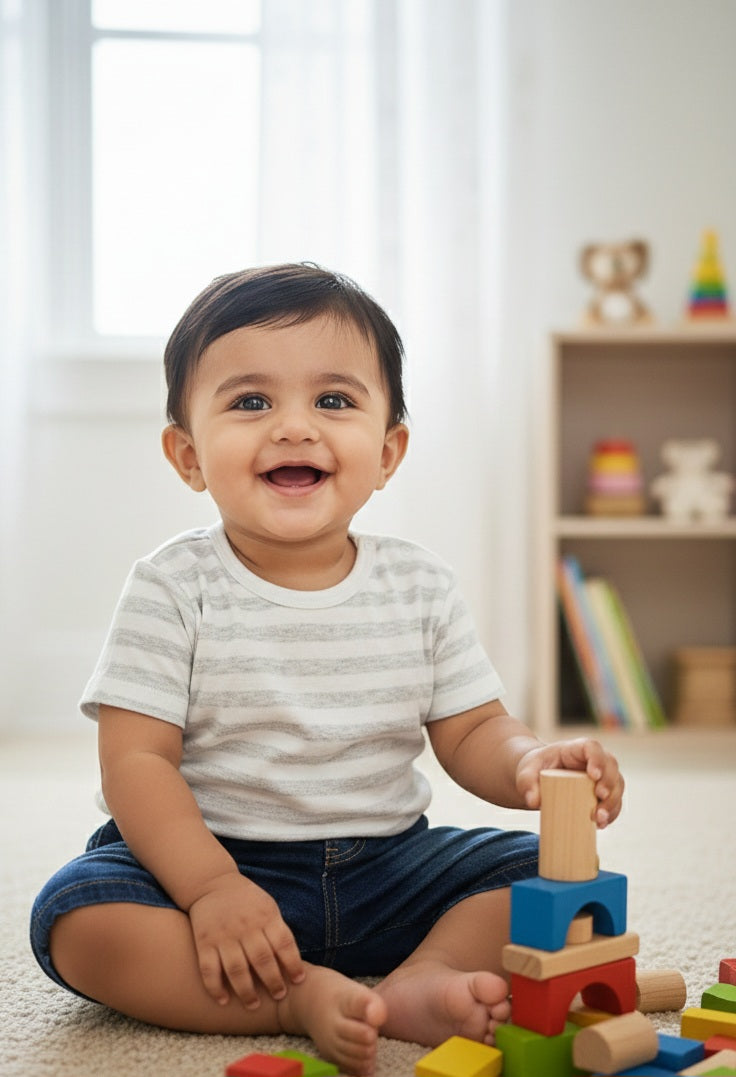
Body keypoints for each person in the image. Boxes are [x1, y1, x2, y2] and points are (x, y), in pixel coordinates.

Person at [30, 263, 624, 1077]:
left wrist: (532, 763)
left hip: (387, 865)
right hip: (216, 857)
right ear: (187, 455)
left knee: (550, 873)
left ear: (387, 453)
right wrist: (210, 888)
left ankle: (424, 975)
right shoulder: (173, 587)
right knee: (78, 917)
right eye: (250, 402)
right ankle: (290, 994)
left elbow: (474, 728)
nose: (294, 428)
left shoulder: (419, 584)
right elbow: (136, 762)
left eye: (333, 401)